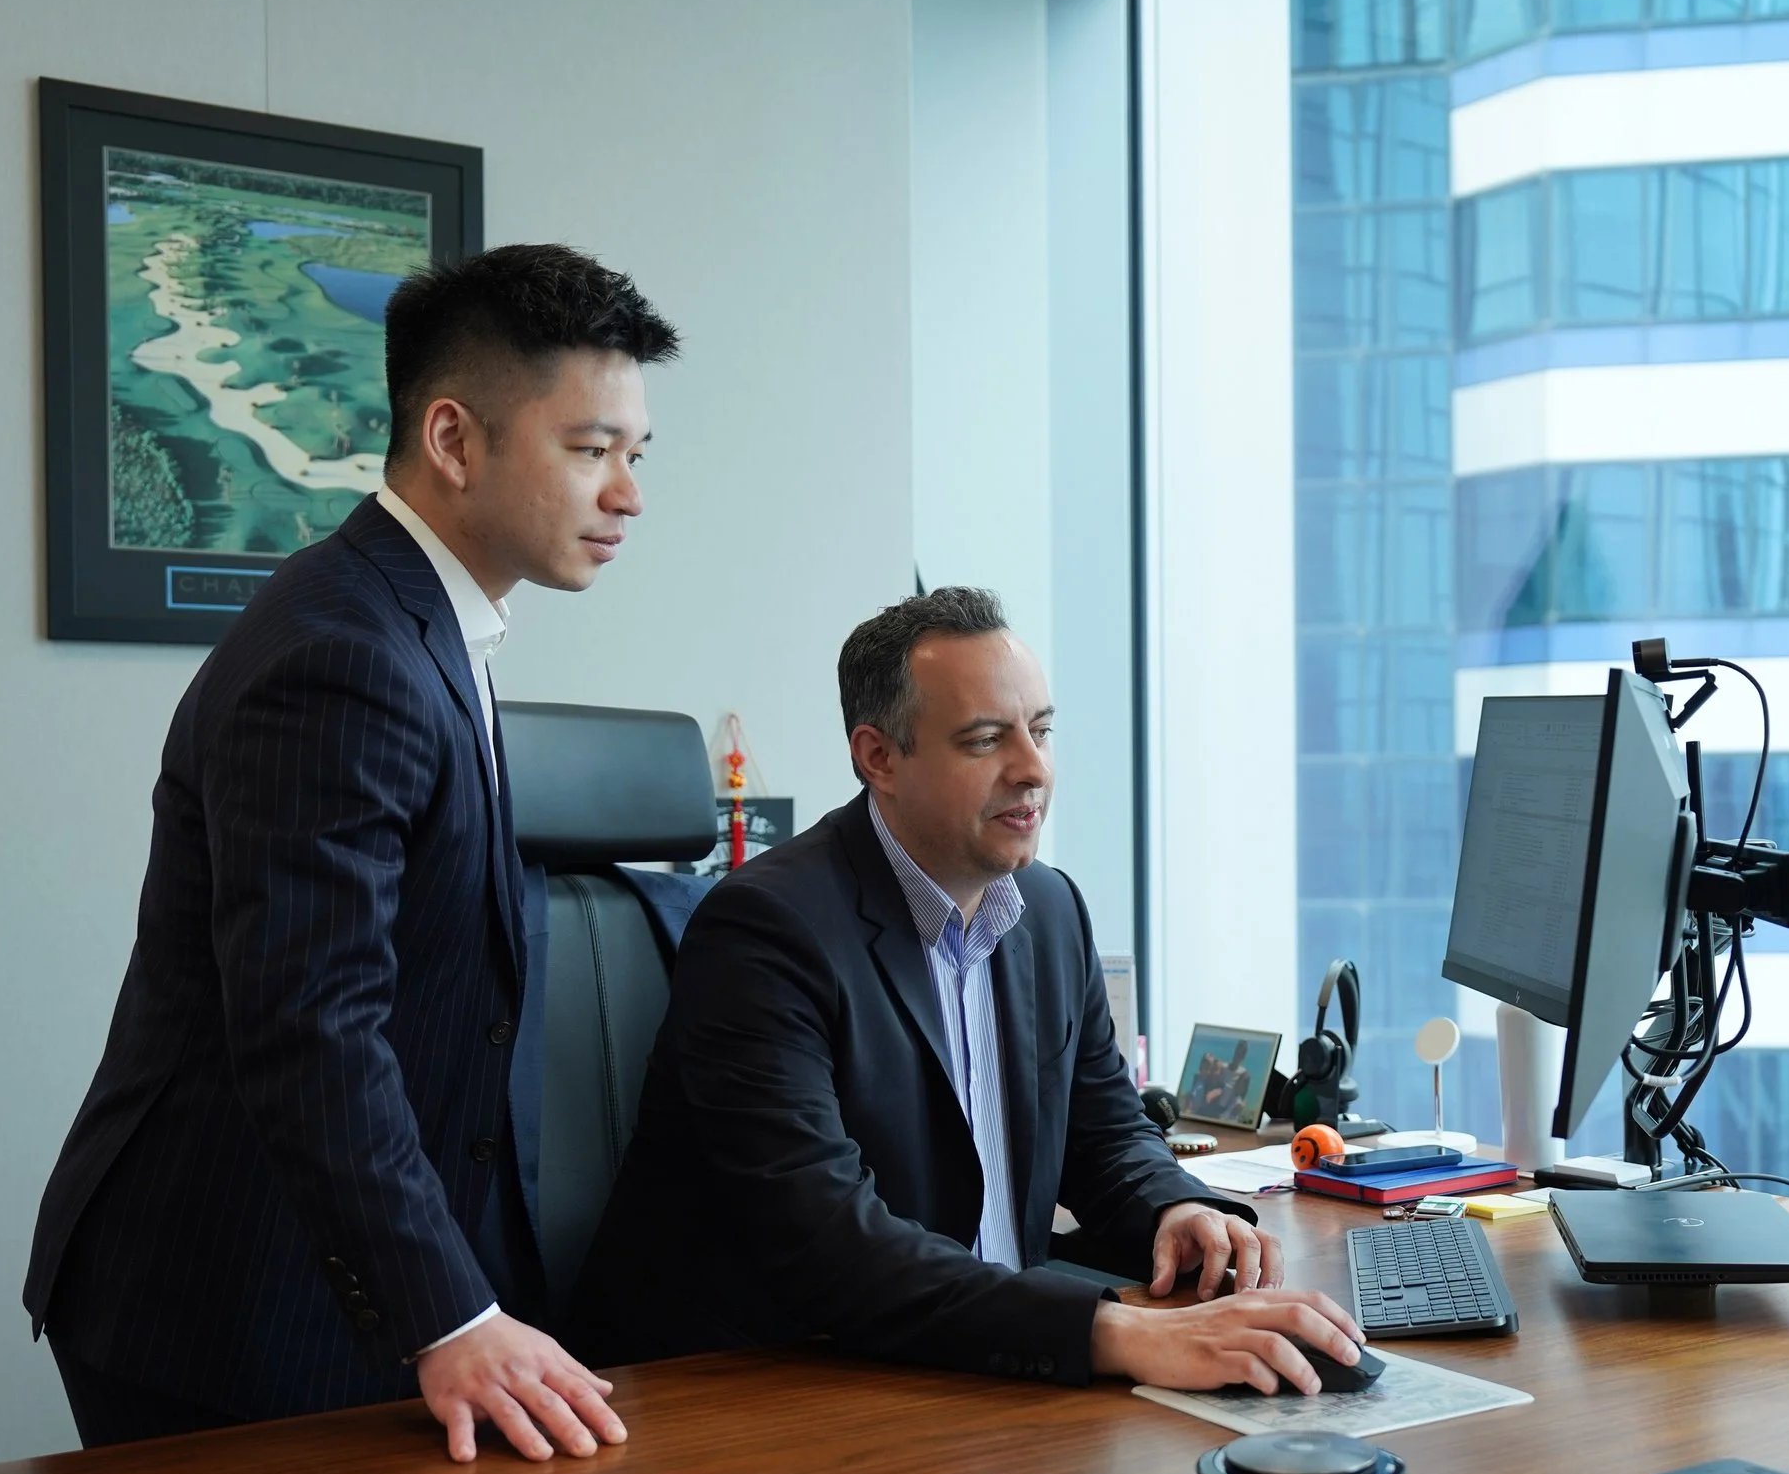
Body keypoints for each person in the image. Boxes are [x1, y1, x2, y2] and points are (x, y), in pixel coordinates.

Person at [23, 244, 680, 1460]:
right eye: (591, 450)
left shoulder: (424, 620)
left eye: (636, 454)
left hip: (332, 1281)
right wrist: (451, 1310)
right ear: (453, 440)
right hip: (229, 1296)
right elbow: (308, 1021)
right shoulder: (346, 653)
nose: (628, 493)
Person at [569, 589, 1365, 1394]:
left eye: (1042, 730)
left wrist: (1175, 1210)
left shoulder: (1049, 910)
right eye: (987, 740)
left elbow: (1106, 1133)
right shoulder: (767, 930)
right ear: (879, 757)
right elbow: (829, 1245)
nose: (1034, 769)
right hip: (775, 1383)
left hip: (983, 1363)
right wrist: (1118, 1333)